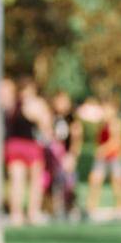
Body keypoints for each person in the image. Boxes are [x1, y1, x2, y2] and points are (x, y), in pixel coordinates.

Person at [3, 77, 53, 224]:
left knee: (16, 182)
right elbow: (46, 127)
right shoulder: (37, 104)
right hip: (30, 146)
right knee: (34, 182)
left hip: (13, 145)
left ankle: (16, 215)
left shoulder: (13, 104)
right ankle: (33, 213)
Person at [85, 97, 121, 214]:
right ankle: (91, 207)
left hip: (113, 157)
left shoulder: (115, 123)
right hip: (102, 158)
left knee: (117, 182)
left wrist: (103, 149)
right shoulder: (103, 123)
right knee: (95, 180)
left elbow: (116, 141)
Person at [47, 91, 84, 219]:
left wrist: (72, 155)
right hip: (54, 156)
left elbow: (77, 138)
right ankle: (56, 209)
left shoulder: (71, 119)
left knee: (69, 183)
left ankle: (71, 207)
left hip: (67, 156)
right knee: (55, 183)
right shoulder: (52, 117)